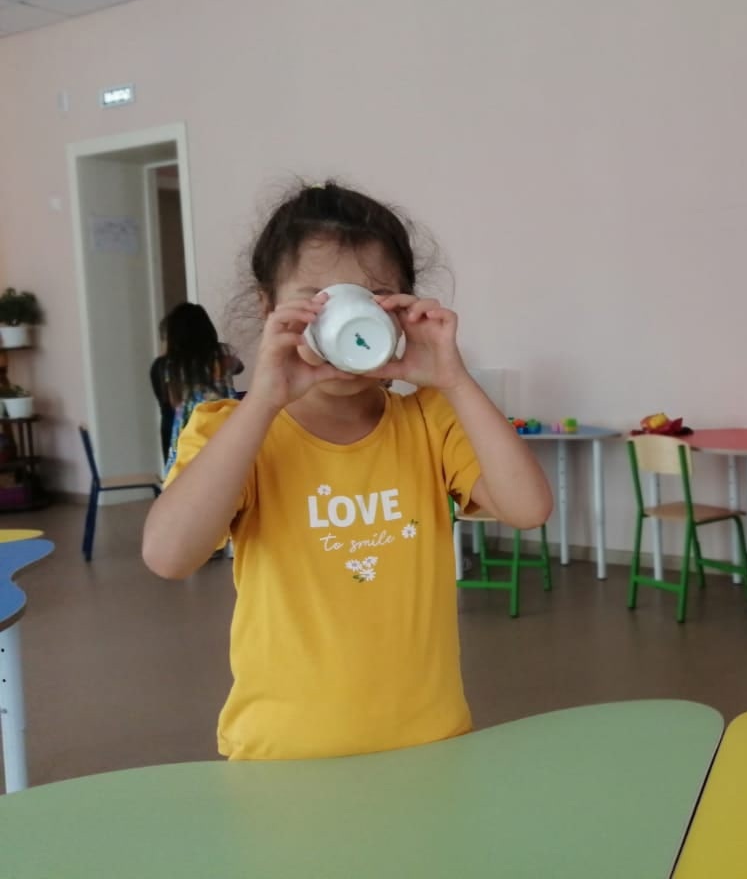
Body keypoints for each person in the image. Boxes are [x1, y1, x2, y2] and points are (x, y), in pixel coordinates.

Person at [141, 181, 551, 761]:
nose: (346, 317)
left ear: (403, 310)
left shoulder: (429, 420)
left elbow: (529, 509)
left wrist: (454, 379)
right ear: (267, 307)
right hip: (283, 757)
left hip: (428, 745)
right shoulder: (234, 432)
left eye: (376, 296)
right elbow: (168, 556)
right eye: (317, 299)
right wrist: (264, 399)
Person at [149, 303, 243, 467]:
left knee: (189, 467)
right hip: (223, 423)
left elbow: (173, 401)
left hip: (189, 427)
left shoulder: (171, 366)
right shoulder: (221, 358)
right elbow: (239, 366)